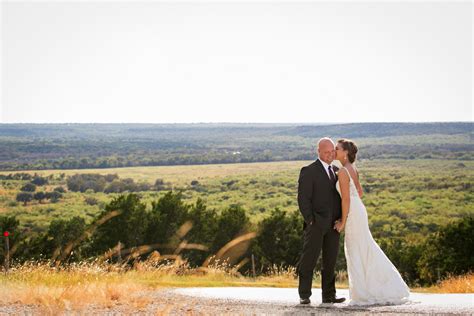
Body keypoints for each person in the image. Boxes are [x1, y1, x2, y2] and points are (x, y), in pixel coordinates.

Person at [334, 138, 410, 305]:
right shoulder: (352, 168)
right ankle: (372, 288)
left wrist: (342, 222)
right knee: (364, 247)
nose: (335, 151)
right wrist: (353, 204)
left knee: (356, 249)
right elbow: (359, 193)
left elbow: (345, 199)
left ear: (345, 152)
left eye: (337, 148)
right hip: (359, 209)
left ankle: (362, 293)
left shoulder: (342, 172)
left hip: (353, 212)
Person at [297, 137, 346, 305]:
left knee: (330, 261)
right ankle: (304, 294)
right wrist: (311, 221)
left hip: (333, 225)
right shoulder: (308, 171)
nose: (330, 155)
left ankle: (329, 295)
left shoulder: (336, 170)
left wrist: (340, 218)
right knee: (309, 259)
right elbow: (303, 199)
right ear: (318, 151)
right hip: (316, 224)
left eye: (332, 151)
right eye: (326, 152)